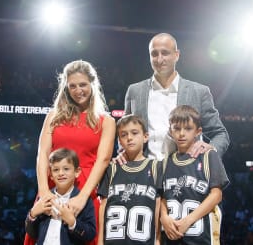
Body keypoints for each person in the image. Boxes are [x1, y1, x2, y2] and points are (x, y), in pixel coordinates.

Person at [25, 60, 116, 245]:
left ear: (93, 84)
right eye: (72, 86)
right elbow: (42, 154)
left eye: (83, 84)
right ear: (66, 87)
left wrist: (82, 197)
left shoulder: (106, 121)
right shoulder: (53, 116)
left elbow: (103, 159)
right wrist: (43, 191)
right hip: (52, 188)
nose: (78, 90)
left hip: (86, 190)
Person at [124, 32, 229, 161]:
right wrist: (123, 154)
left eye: (165, 53)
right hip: (144, 174)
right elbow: (125, 131)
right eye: (154, 54)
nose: (159, 59)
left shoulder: (199, 92)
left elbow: (220, 134)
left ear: (176, 55)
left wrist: (210, 150)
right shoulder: (135, 91)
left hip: (185, 173)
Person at [160, 105, 230, 244]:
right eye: (177, 128)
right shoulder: (166, 162)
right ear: (170, 131)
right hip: (172, 238)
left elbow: (216, 195)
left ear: (198, 131)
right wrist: (163, 217)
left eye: (188, 128)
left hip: (201, 238)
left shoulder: (208, 155)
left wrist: (188, 221)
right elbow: (163, 197)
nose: (181, 133)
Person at [97, 115, 161, 245]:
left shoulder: (156, 167)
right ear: (119, 140)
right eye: (123, 135)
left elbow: (158, 206)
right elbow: (103, 206)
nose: (129, 138)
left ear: (145, 137)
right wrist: (100, 241)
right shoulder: (112, 168)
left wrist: (158, 240)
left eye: (134, 133)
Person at [26, 148, 97, 244]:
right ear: (51, 175)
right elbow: (32, 233)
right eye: (56, 170)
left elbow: (90, 234)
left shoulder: (82, 200)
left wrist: (73, 222)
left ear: (77, 172)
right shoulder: (44, 198)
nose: (61, 173)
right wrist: (33, 214)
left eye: (66, 169)